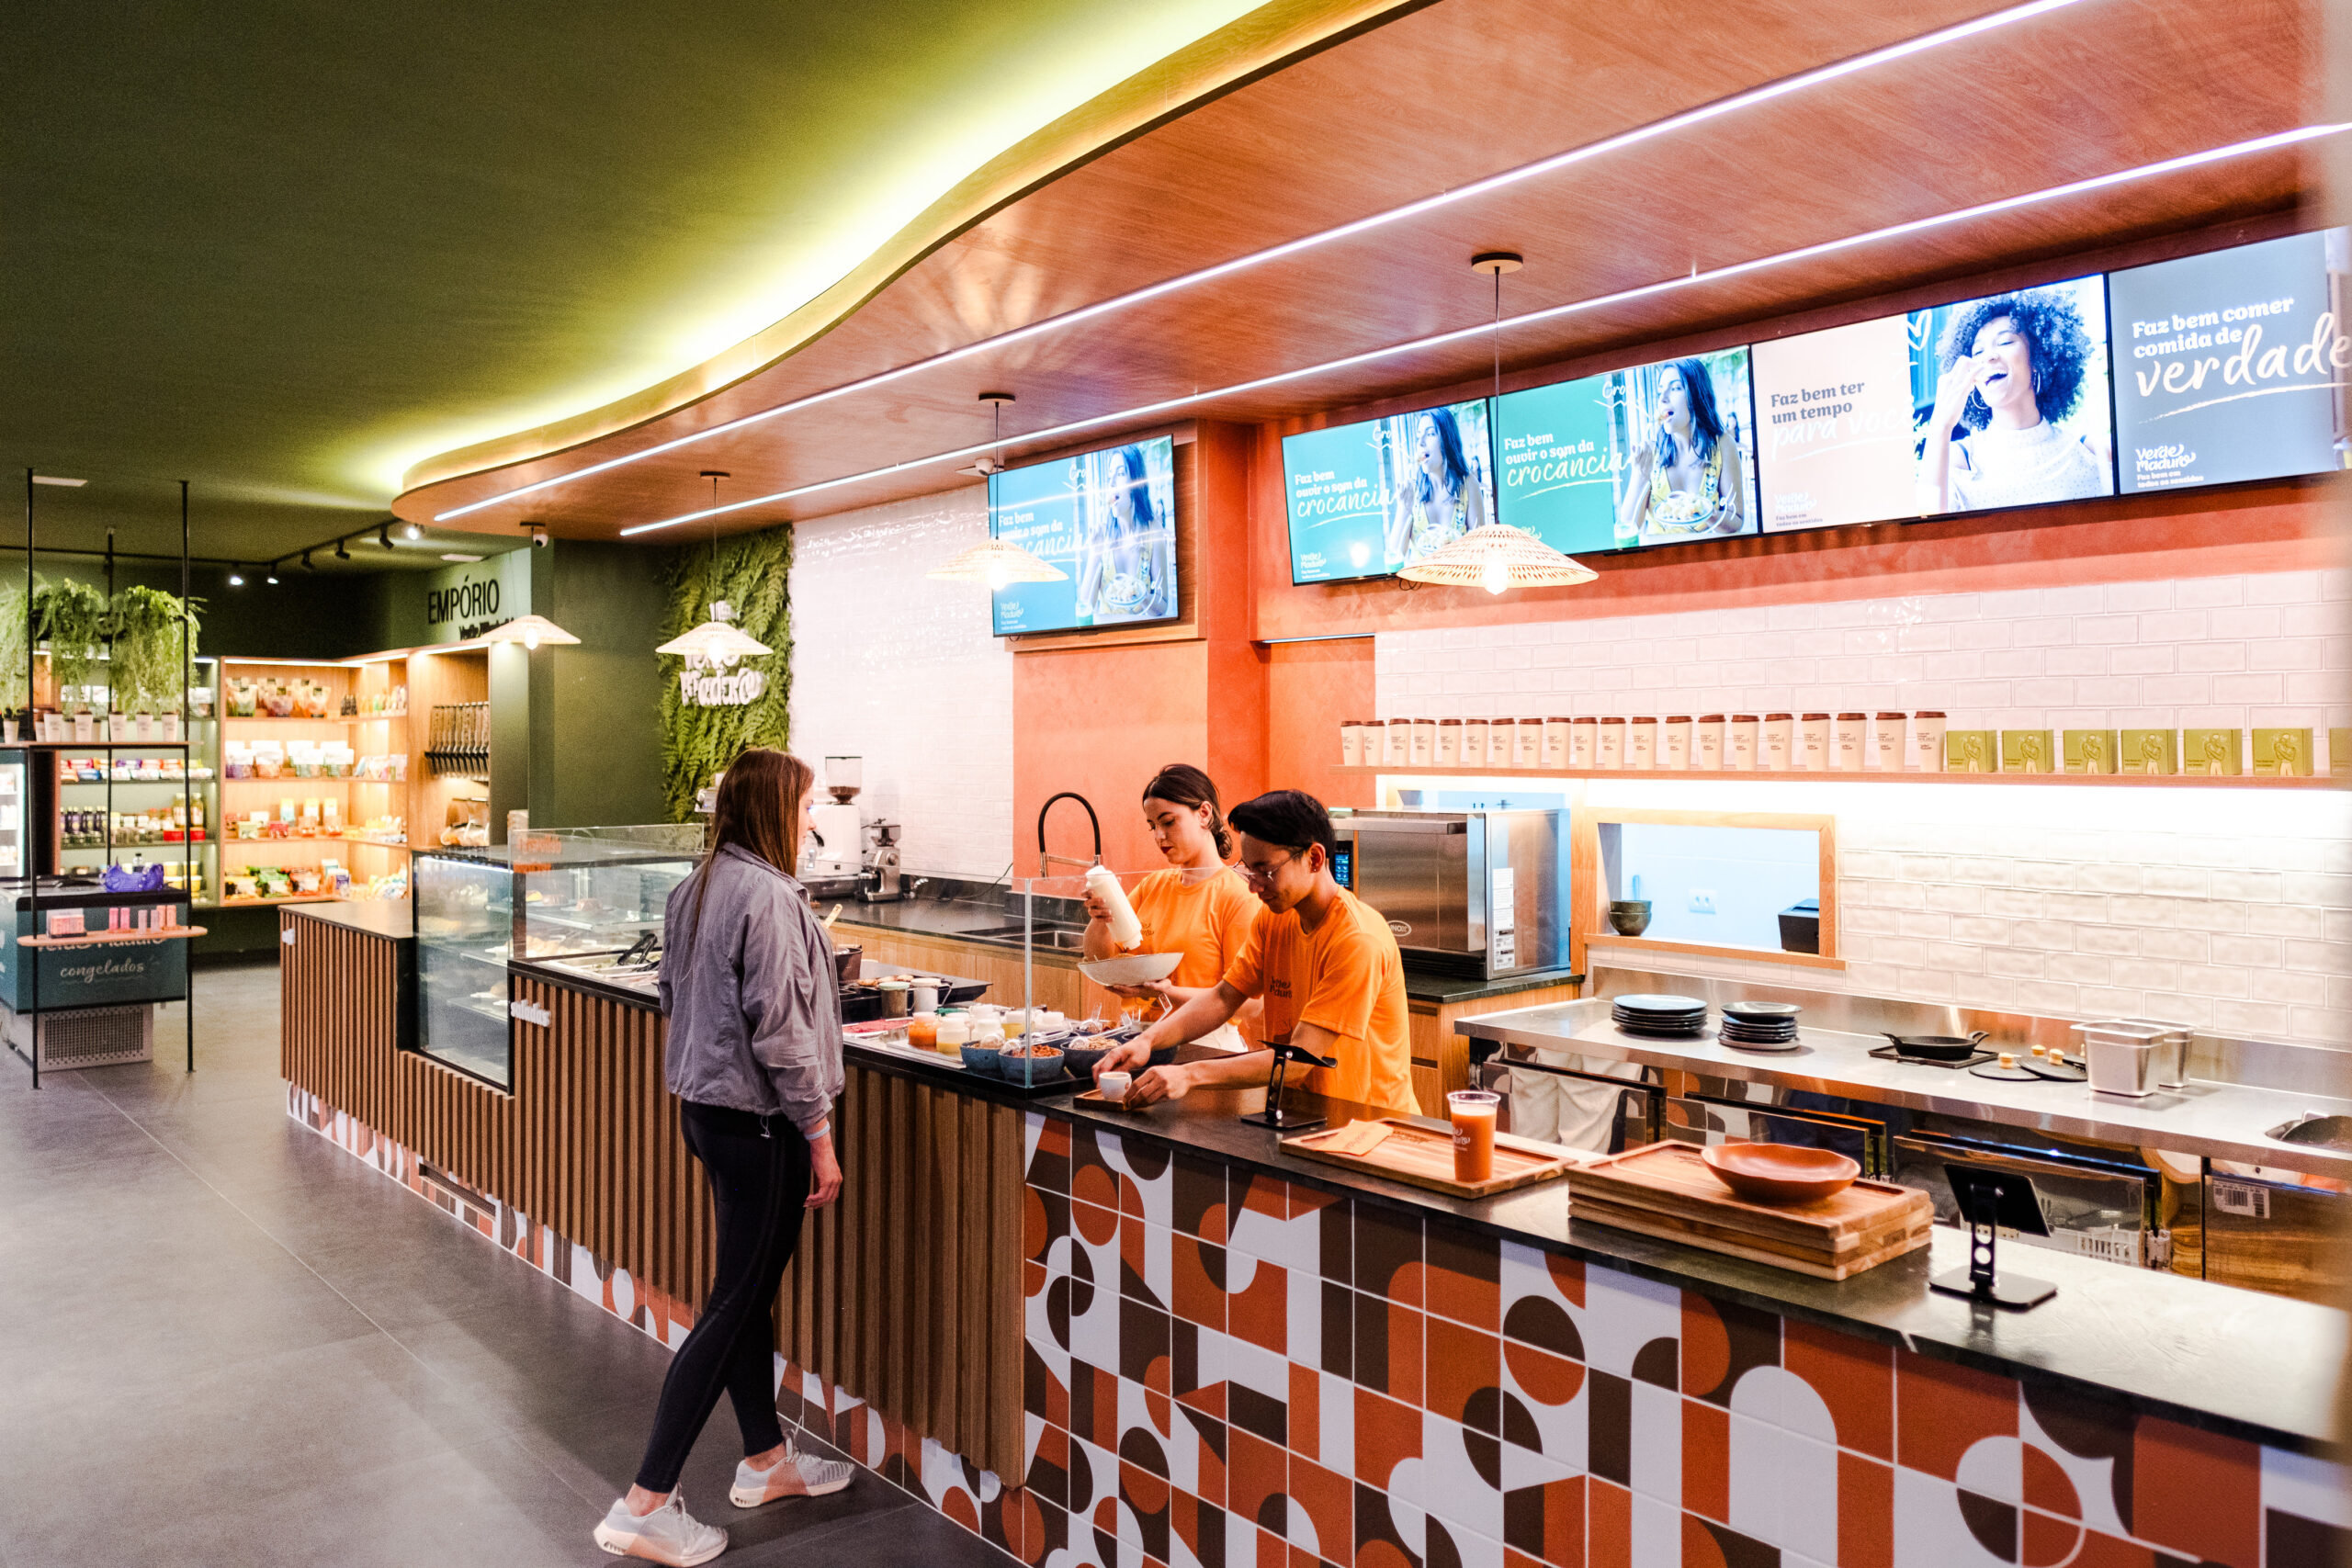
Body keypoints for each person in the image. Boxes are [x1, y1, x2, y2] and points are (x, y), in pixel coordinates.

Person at [594, 749, 851, 1566]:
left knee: (744, 1294)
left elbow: (674, 998)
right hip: (762, 1124)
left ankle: (766, 1459)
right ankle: (644, 1502)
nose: (812, 820)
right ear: (776, 809)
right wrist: (819, 1134)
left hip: (706, 1113)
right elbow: (781, 1028)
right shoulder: (769, 896)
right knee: (732, 1303)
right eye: (805, 806)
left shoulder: (695, 886)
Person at [1091, 789, 1418, 1116]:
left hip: (1370, 1123)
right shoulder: (1274, 918)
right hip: (1302, 1114)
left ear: (1314, 859)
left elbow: (1299, 1060)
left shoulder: (1357, 940)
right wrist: (1147, 1041)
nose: (1254, 885)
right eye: (1249, 870)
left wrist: (1190, 1074)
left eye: (1266, 871)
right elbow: (1224, 997)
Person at [1080, 763, 1263, 1052]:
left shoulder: (1238, 897)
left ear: (1204, 814)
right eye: (1153, 826)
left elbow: (1250, 1004)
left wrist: (1167, 992)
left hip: (1205, 1043)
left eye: (1168, 822)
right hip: (1140, 1038)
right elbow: (1100, 960)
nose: (1158, 836)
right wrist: (1100, 919)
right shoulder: (1153, 885)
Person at [1917, 289, 2112, 514]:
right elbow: (1925, 521)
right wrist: (1941, 426)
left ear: (2038, 359)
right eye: (1978, 351)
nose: (1989, 356)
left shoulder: (2091, 453)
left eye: (2005, 342)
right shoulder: (1959, 460)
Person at [1616, 357, 1748, 544]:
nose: (1663, 398)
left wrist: (1706, 513)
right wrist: (1640, 473)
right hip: (1659, 557)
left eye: (1676, 388)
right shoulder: (1652, 452)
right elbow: (1628, 527)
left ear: (1697, 395)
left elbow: (1736, 520)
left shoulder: (1723, 445)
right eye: (1660, 391)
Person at [1076, 444, 1173, 625]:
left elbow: (1163, 605)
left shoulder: (1153, 531)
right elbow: (1085, 607)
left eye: (1120, 474)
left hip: (1143, 635)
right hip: (1107, 636)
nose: (1111, 483)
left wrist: (1139, 595)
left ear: (1136, 483)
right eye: (1109, 476)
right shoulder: (1103, 535)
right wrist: (1094, 554)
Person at [1386, 407, 1489, 567]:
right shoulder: (1413, 491)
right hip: (1419, 581)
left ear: (1447, 440)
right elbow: (1394, 558)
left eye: (1430, 434)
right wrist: (1404, 508)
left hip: (1458, 579)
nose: (1420, 442)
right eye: (1418, 436)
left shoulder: (1469, 484)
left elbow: (1482, 553)